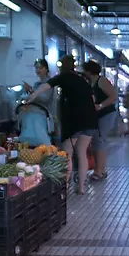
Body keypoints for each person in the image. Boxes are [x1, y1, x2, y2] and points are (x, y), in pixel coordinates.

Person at [26, 55, 97, 194]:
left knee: (67, 154)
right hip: (90, 120)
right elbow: (92, 98)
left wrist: (33, 95)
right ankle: (81, 188)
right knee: (82, 153)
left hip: (75, 120)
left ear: (62, 66)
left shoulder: (64, 77)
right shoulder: (83, 78)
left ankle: (65, 187)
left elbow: (47, 85)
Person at [82, 61, 118, 181]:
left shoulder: (101, 81)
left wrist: (101, 105)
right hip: (98, 115)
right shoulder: (91, 82)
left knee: (100, 139)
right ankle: (99, 169)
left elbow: (113, 96)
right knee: (97, 140)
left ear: (89, 71)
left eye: (84, 70)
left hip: (106, 114)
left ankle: (100, 171)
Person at [19, 59, 54, 146]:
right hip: (33, 114)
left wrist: (31, 91)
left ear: (46, 69)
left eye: (40, 68)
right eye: (36, 68)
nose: (38, 70)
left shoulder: (49, 83)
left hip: (42, 116)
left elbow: (44, 99)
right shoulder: (36, 84)